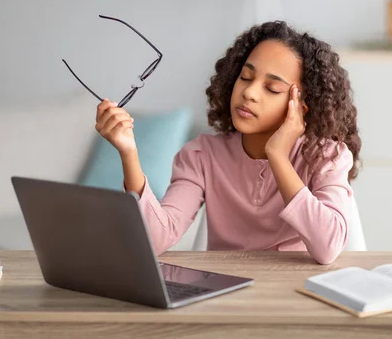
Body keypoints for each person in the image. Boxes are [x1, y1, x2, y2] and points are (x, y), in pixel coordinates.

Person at [94, 21, 361, 264]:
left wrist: (277, 156)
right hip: (224, 295)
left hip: (293, 300)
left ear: (301, 108)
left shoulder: (327, 156)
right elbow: (155, 239)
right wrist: (128, 152)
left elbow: (328, 247)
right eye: (245, 77)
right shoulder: (201, 155)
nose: (249, 92)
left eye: (272, 89)